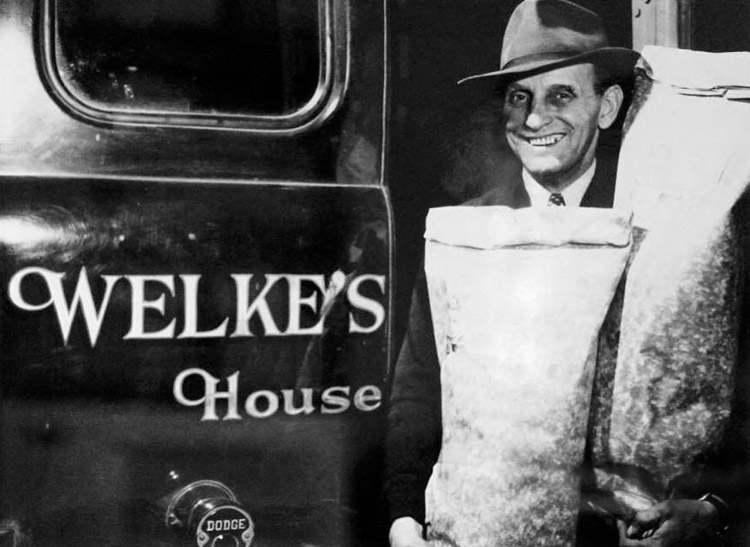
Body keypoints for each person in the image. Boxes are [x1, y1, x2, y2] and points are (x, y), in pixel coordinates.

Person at [384, 1, 731, 546]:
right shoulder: (469, 232)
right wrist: (403, 520)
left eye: (561, 95)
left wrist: (714, 508)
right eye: (519, 96)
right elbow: (420, 391)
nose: (534, 118)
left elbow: (722, 388)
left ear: (609, 106)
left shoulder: (657, 236)